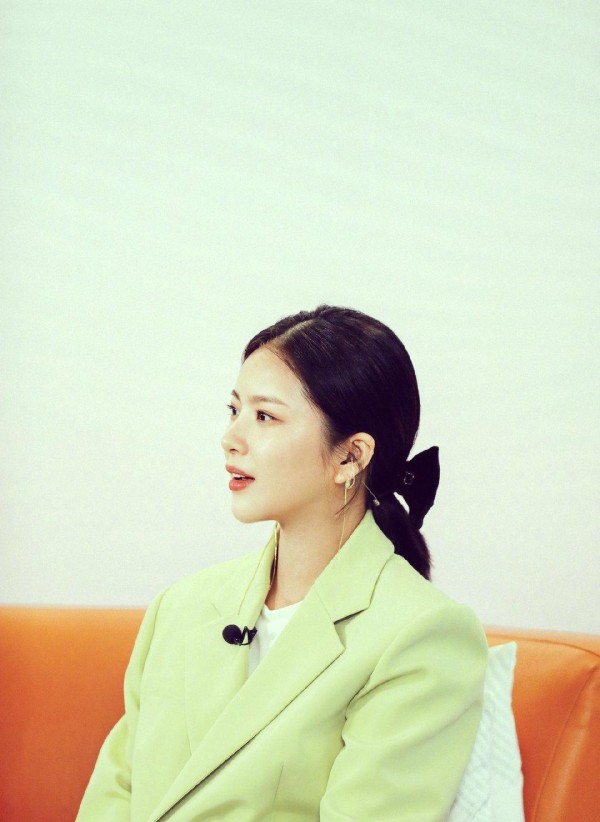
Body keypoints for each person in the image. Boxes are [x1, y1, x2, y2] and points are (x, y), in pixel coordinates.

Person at [77, 304, 488, 821]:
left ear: (350, 456)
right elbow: (116, 791)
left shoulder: (423, 635)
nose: (231, 437)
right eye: (234, 410)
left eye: (265, 416)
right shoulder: (179, 607)